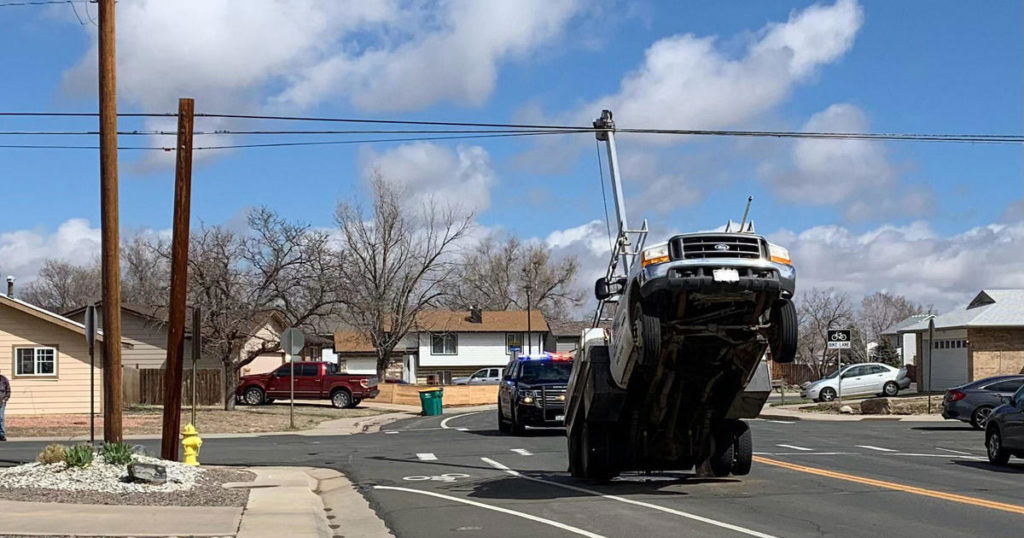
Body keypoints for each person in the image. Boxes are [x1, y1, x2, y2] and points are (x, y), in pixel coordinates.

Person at [0, 369, 9, 441]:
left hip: (1, 402)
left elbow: (8, 390)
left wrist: (5, 399)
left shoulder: (4, 379)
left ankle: (2, 434)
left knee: (1, 418)